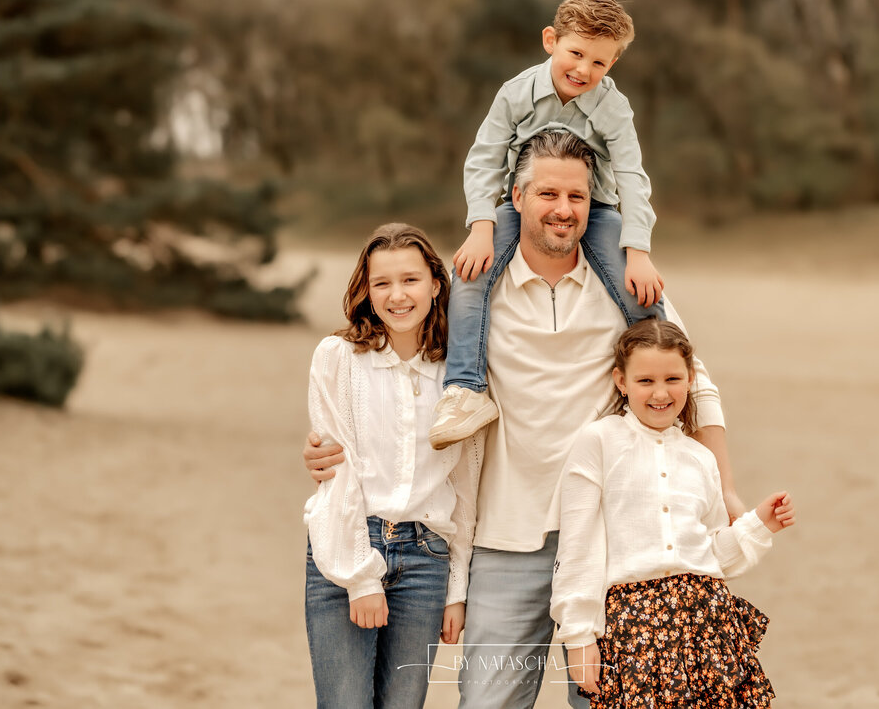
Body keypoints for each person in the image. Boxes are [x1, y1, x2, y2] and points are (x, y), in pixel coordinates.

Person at [306, 130, 745, 709]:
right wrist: (331, 448)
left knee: (610, 701)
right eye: (547, 194)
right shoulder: (475, 298)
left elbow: (696, 380)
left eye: (578, 197)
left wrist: (726, 488)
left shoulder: (631, 293)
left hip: (614, 541)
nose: (563, 210)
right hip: (506, 538)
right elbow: (417, 386)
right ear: (516, 197)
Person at [429, 0, 667, 450]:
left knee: (638, 291)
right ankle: (465, 389)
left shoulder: (613, 108)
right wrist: (481, 226)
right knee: (469, 273)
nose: (584, 70)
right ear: (550, 41)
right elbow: (483, 159)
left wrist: (638, 251)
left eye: (599, 63)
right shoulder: (515, 94)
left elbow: (633, 178)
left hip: (591, 210)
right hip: (521, 206)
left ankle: (661, 385)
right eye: (576, 53)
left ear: (612, 64)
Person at [551, 319, 796, 707]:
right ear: (621, 381)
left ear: (690, 378)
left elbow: (712, 555)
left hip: (708, 623)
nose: (660, 393)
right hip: (632, 626)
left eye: (672, 379)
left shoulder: (700, 458)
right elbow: (577, 549)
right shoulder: (599, 441)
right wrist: (580, 638)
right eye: (645, 381)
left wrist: (756, 526)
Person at [302, 222, 483, 709]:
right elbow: (338, 470)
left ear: (436, 285)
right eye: (382, 283)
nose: (397, 295)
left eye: (410, 280)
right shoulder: (337, 359)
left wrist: (457, 588)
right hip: (347, 548)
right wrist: (360, 578)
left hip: (427, 560)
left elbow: (467, 484)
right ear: (366, 289)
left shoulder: (460, 373)